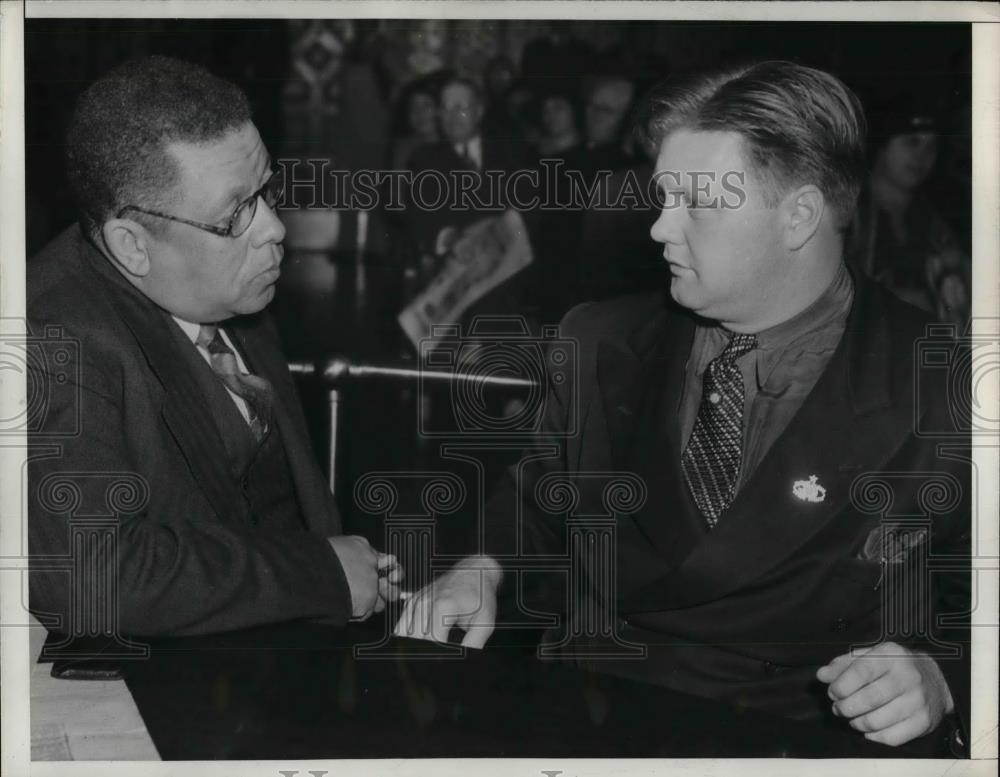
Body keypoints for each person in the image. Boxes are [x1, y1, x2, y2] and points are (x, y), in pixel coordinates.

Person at [396, 62, 970, 756]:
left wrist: (942, 676)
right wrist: (482, 566)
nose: (661, 229)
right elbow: (539, 500)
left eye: (696, 203)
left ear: (799, 216)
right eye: (663, 198)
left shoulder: (942, 379)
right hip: (593, 726)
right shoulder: (598, 338)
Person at [27, 56, 402, 638]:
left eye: (265, 191)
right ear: (132, 246)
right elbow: (92, 573)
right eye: (235, 215)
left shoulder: (226, 287)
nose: (274, 228)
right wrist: (321, 573)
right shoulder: (50, 340)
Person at [847, 96, 970, 328]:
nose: (922, 156)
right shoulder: (848, 214)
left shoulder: (933, 224)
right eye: (912, 142)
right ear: (882, 145)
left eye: (931, 146)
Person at [403, 75, 532, 257]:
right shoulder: (424, 162)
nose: (452, 117)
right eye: (445, 109)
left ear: (479, 111)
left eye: (460, 107)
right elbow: (420, 222)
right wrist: (451, 239)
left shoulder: (512, 151)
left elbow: (530, 209)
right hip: (459, 270)